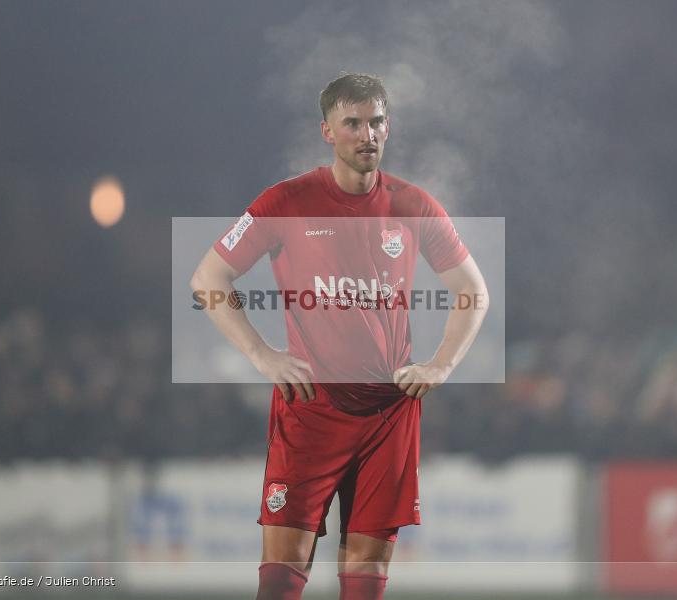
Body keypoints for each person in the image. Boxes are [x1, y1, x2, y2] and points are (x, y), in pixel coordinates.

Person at [191, 73, 488, 600]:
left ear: (388, 127)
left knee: (365, 583)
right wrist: (263, 356)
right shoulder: (287, 201)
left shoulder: (412, 204)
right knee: (281, 578)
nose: (365, 134)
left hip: (389, 414)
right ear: (327, 131)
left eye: (375, 122)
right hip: (311, 407)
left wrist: (439, 364)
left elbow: (473, 291)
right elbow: (208, 278)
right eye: (352, 123)